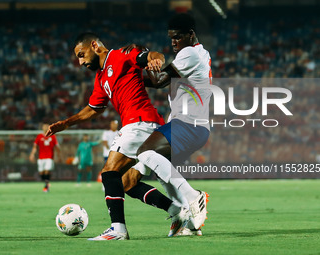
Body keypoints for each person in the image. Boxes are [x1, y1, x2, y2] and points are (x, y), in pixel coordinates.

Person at [45, 32, 190, 240]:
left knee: (109, 172)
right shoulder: (101, 77)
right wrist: (66, 123)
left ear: (94, 45)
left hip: (140, 123)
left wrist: (156, 58)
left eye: (82, 54)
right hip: (143, 126)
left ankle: (118, 229)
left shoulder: (121, 55)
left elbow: (147, 56)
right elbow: (93, 108)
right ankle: (177, 211)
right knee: (127, 182)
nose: (80, 62)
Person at [123, 13, 212, 236]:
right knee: (129, 181)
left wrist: (142, 56)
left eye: (178, 37)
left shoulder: (189, 53)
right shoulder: (199, 52)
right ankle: (185, 219)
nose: (173, 42)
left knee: (145, 151)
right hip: (191, 125)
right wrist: (134, 67)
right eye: (171, 38)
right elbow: (152, 80)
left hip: (189, 124)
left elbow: (160, 81)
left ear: (191, 35)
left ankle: (193, 198)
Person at [29, 123, 62, 192]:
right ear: (42, 128)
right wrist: (32, 154)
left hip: (49, 157)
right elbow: (35, 147)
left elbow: (57, 147)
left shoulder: (52, 136)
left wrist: (59, 156)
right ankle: (47, 183)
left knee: (47, 171)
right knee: (41, 173)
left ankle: (46, 186)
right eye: (44, 127)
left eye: (47, 127)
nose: (45, 128)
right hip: (41, 158)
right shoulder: (39, 136)